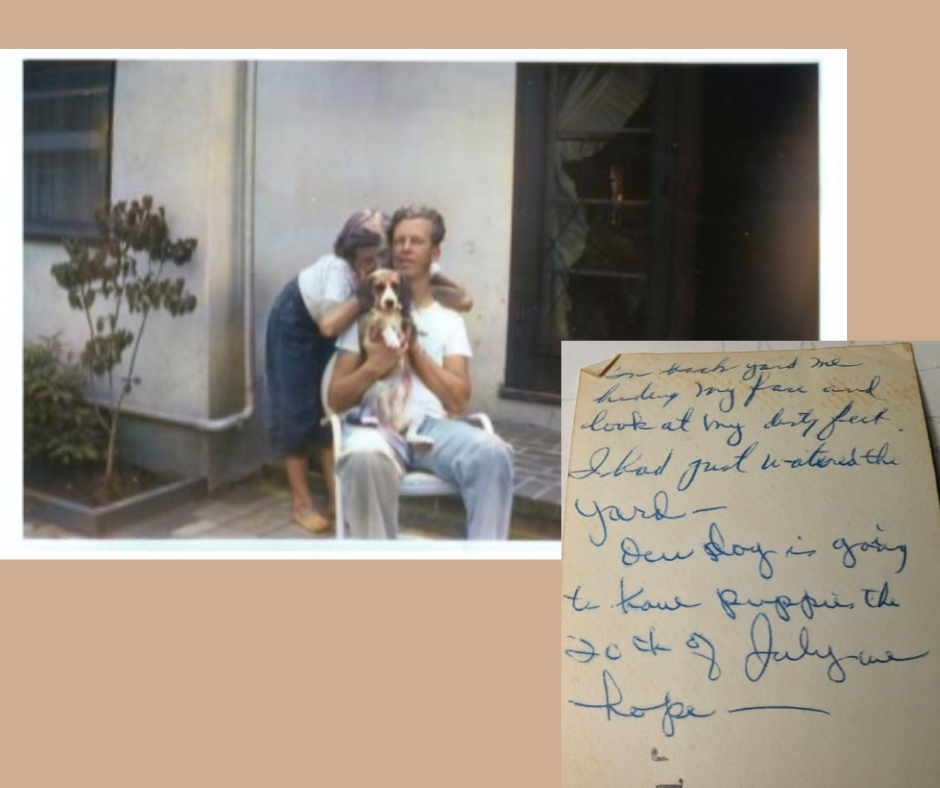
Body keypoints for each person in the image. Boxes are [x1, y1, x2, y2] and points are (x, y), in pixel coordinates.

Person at [265, 209, 472, 535]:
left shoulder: (391, 261)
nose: (371, 266)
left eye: (377, 257)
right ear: (349, 255)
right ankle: (301, 501)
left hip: (337, 325)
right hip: (300, 320)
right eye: (364, 260)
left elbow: (466, 299)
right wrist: (364, 295)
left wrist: (432, 282)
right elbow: (328, 325)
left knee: (332, 401)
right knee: (298, 406)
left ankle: (338, 501)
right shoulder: (339, 272)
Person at [328, 205, 514, 539]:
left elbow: (457, 399)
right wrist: (373, 367)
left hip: (433, 427)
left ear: (435, 252)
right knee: (362, 455)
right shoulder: (365, 318)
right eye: (399, 241)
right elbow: (335, 398)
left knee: (493, 453)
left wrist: (413, 351)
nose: (405, 248)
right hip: (378, 425)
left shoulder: (448, 320)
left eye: (416, 241)